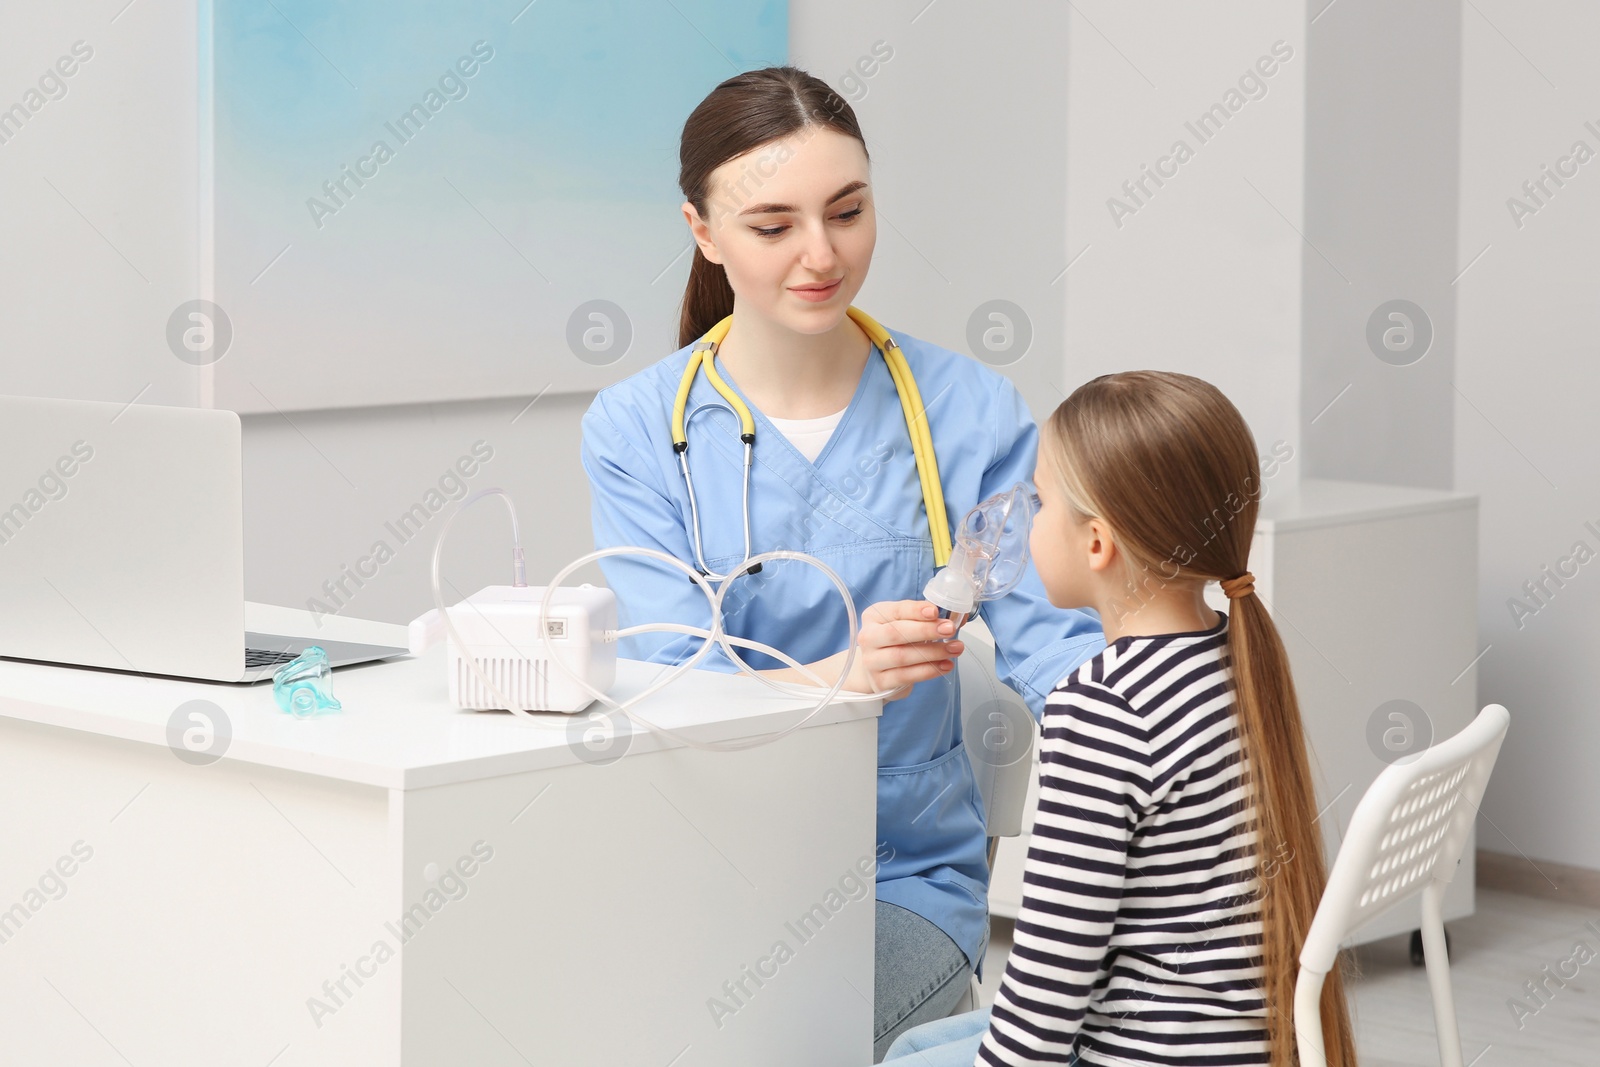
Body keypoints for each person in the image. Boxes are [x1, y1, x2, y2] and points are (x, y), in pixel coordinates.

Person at [579, 66, 1104, 1058]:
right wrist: (841, 679)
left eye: (847, 212)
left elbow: (1056, 650)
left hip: (897, 876)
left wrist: (1167, 747)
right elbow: (672, 684)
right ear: (702, 232)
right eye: (773, 225)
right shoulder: (639, 427)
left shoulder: (969, 411)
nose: (820, 254)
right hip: (689, 867)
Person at [879, 371, 1358, 1066]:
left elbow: (1040, 1019)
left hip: (1148, 1050)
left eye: (1038, 501)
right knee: (919, 1044)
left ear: (1097, 544)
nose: (1016, 517)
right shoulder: (1234, 654)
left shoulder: (1102, 706)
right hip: (1237, 1039)